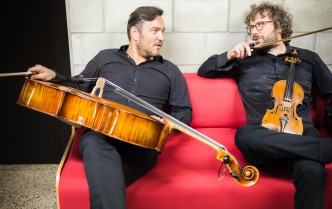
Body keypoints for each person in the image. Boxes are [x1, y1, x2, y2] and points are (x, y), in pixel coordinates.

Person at [28, 6, 192, 209]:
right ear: (135, 33)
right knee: (93, 140)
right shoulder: (105, 58)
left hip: (142, 144)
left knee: (104, 181)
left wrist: (168, 123)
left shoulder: (170, 71)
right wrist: (54, 77)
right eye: (155, 31)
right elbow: (79, 86)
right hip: (102, 136)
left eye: (162, 31)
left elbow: (184, 111)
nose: (161, 38)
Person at [197, 2, 332, 209]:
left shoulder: (308, 59)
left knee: (312, 171)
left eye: (260, 24)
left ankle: (317, 150)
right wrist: (229, 54)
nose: (254, 31)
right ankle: (323, 150)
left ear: (279, 26)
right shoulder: (245, 58)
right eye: (251, 27)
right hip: (264, 141)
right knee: (244, 134)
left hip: (302, 132)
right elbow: (204, 70)